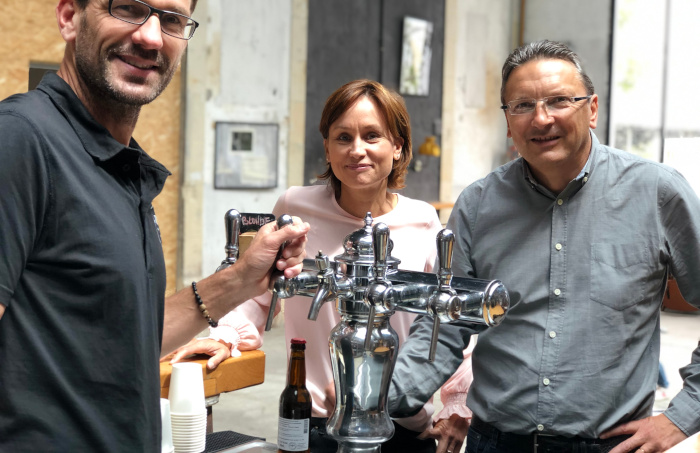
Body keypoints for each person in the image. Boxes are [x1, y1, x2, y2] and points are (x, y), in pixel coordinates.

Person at [0, 0, 309, 451]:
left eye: (170, 19)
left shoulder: (117, 163)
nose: (150, 37)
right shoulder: (22, 139)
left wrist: (239, 280)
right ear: (70, 16)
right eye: (128, 8)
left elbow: (128, 338)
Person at [389, 40, 700, 453]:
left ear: (591, 109)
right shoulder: (479, 204)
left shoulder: (657, 192)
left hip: (609, 445)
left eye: (559, 101)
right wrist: (378, 401)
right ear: (507, 121)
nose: (541, 118)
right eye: (522, 105)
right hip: (496, 442)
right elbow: (446, 326)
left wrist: (678, 419)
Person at [170, 79, 473, 453]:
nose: (356, 150)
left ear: (398, 147)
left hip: (402, 424)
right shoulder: (295, 209)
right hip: (314, 421)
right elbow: (258, 290)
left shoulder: (424, 222)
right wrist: (224, 336)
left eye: (372, 136)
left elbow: (446, 322)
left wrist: (458, 403)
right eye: (342, 137)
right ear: (327, 148)